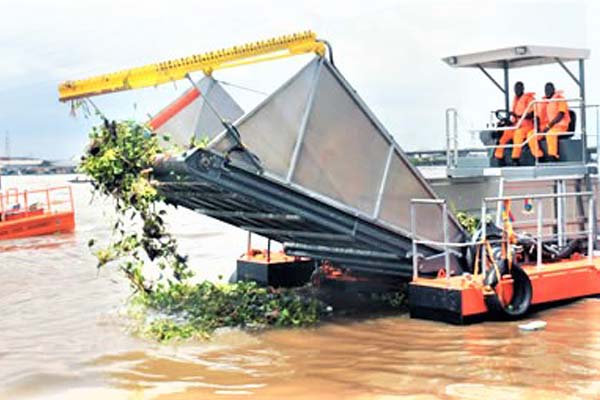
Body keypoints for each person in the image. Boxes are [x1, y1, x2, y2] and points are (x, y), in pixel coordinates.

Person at [494, 82, 540, 165]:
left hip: (527, 126)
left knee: (518, 135)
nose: (517, 90)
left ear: (523, 89)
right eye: (515, 88)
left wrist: (520, 116)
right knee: (505, 135)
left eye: (519, 88)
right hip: (516, 125)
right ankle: (498, 157)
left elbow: (533, 114)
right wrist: (507, 121)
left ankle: (515, 158)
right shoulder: (516, 99)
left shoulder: (529, 99)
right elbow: (513, 116)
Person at [537, 82, 570, 161]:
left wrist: (548, 126)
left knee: (550, 134)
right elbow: (538, 115)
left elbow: (561, 114)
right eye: (546, 90)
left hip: (560, 126)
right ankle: (540, 156)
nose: (547, 91)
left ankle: (553, 156)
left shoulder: (560, 99)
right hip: (547, 127)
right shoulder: (543, 101)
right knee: (532, 135)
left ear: (553, 90)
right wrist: (538, 128)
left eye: (549, 89)